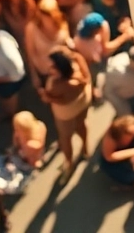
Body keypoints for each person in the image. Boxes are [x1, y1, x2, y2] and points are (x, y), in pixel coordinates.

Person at [41, 48, 94, 181]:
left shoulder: (58, 85)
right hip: (82, 103)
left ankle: (68, 163)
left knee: (65, 137)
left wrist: (47, 97)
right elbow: (86, 78)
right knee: (81, 125)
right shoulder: (77, 60)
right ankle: (85, 149)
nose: (49, 68)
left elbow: (59, 99)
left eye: (53, 66)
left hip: (66, 113)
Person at [102, 47, 134, 118]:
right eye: (133, 59)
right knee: (127, 119)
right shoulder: (118, 72)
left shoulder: (124, 56)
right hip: (117, 97)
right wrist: (125, 113)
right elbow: (108, 91)